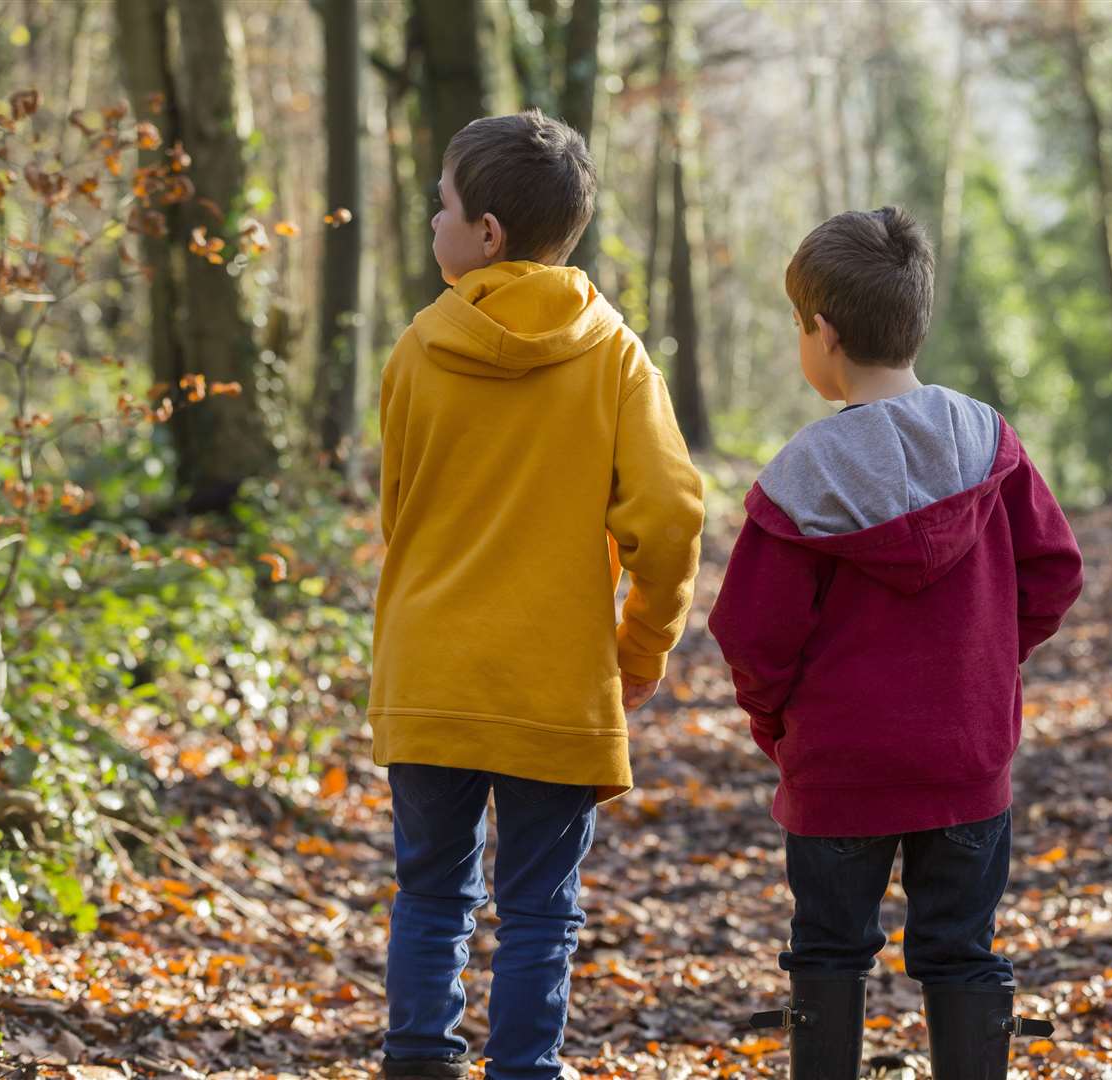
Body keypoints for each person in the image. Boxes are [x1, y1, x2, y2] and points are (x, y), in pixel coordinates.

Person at [708, 206, 1084, 1080]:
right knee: (961, 951)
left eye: (798, 327)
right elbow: (1055, 573)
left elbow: (752, 636)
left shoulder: (801, 478)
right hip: (965, 761)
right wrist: (984, 663)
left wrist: (779, 729)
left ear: (824, 334)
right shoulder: (989, 442)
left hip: (839, 771)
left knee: (831, 952)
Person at [369, 110, 703, 1079]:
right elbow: (673, 517)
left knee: (432, 893)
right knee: (539, 909)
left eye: (443, 208)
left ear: (488, 236)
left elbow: (402, 511)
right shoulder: (614, 356)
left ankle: (418, 1061)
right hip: (555, 679)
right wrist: (638, 650)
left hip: (430, 668)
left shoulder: (416, 350)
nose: (432, 224)